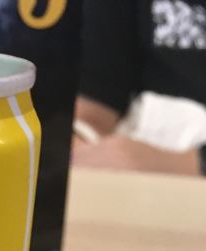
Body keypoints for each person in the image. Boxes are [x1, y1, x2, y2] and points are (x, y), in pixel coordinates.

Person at [74, 0, 206, 176]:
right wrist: (80, 145)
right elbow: (93, 106)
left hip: (172, 168)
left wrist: (177, 164)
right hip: (131, 159)